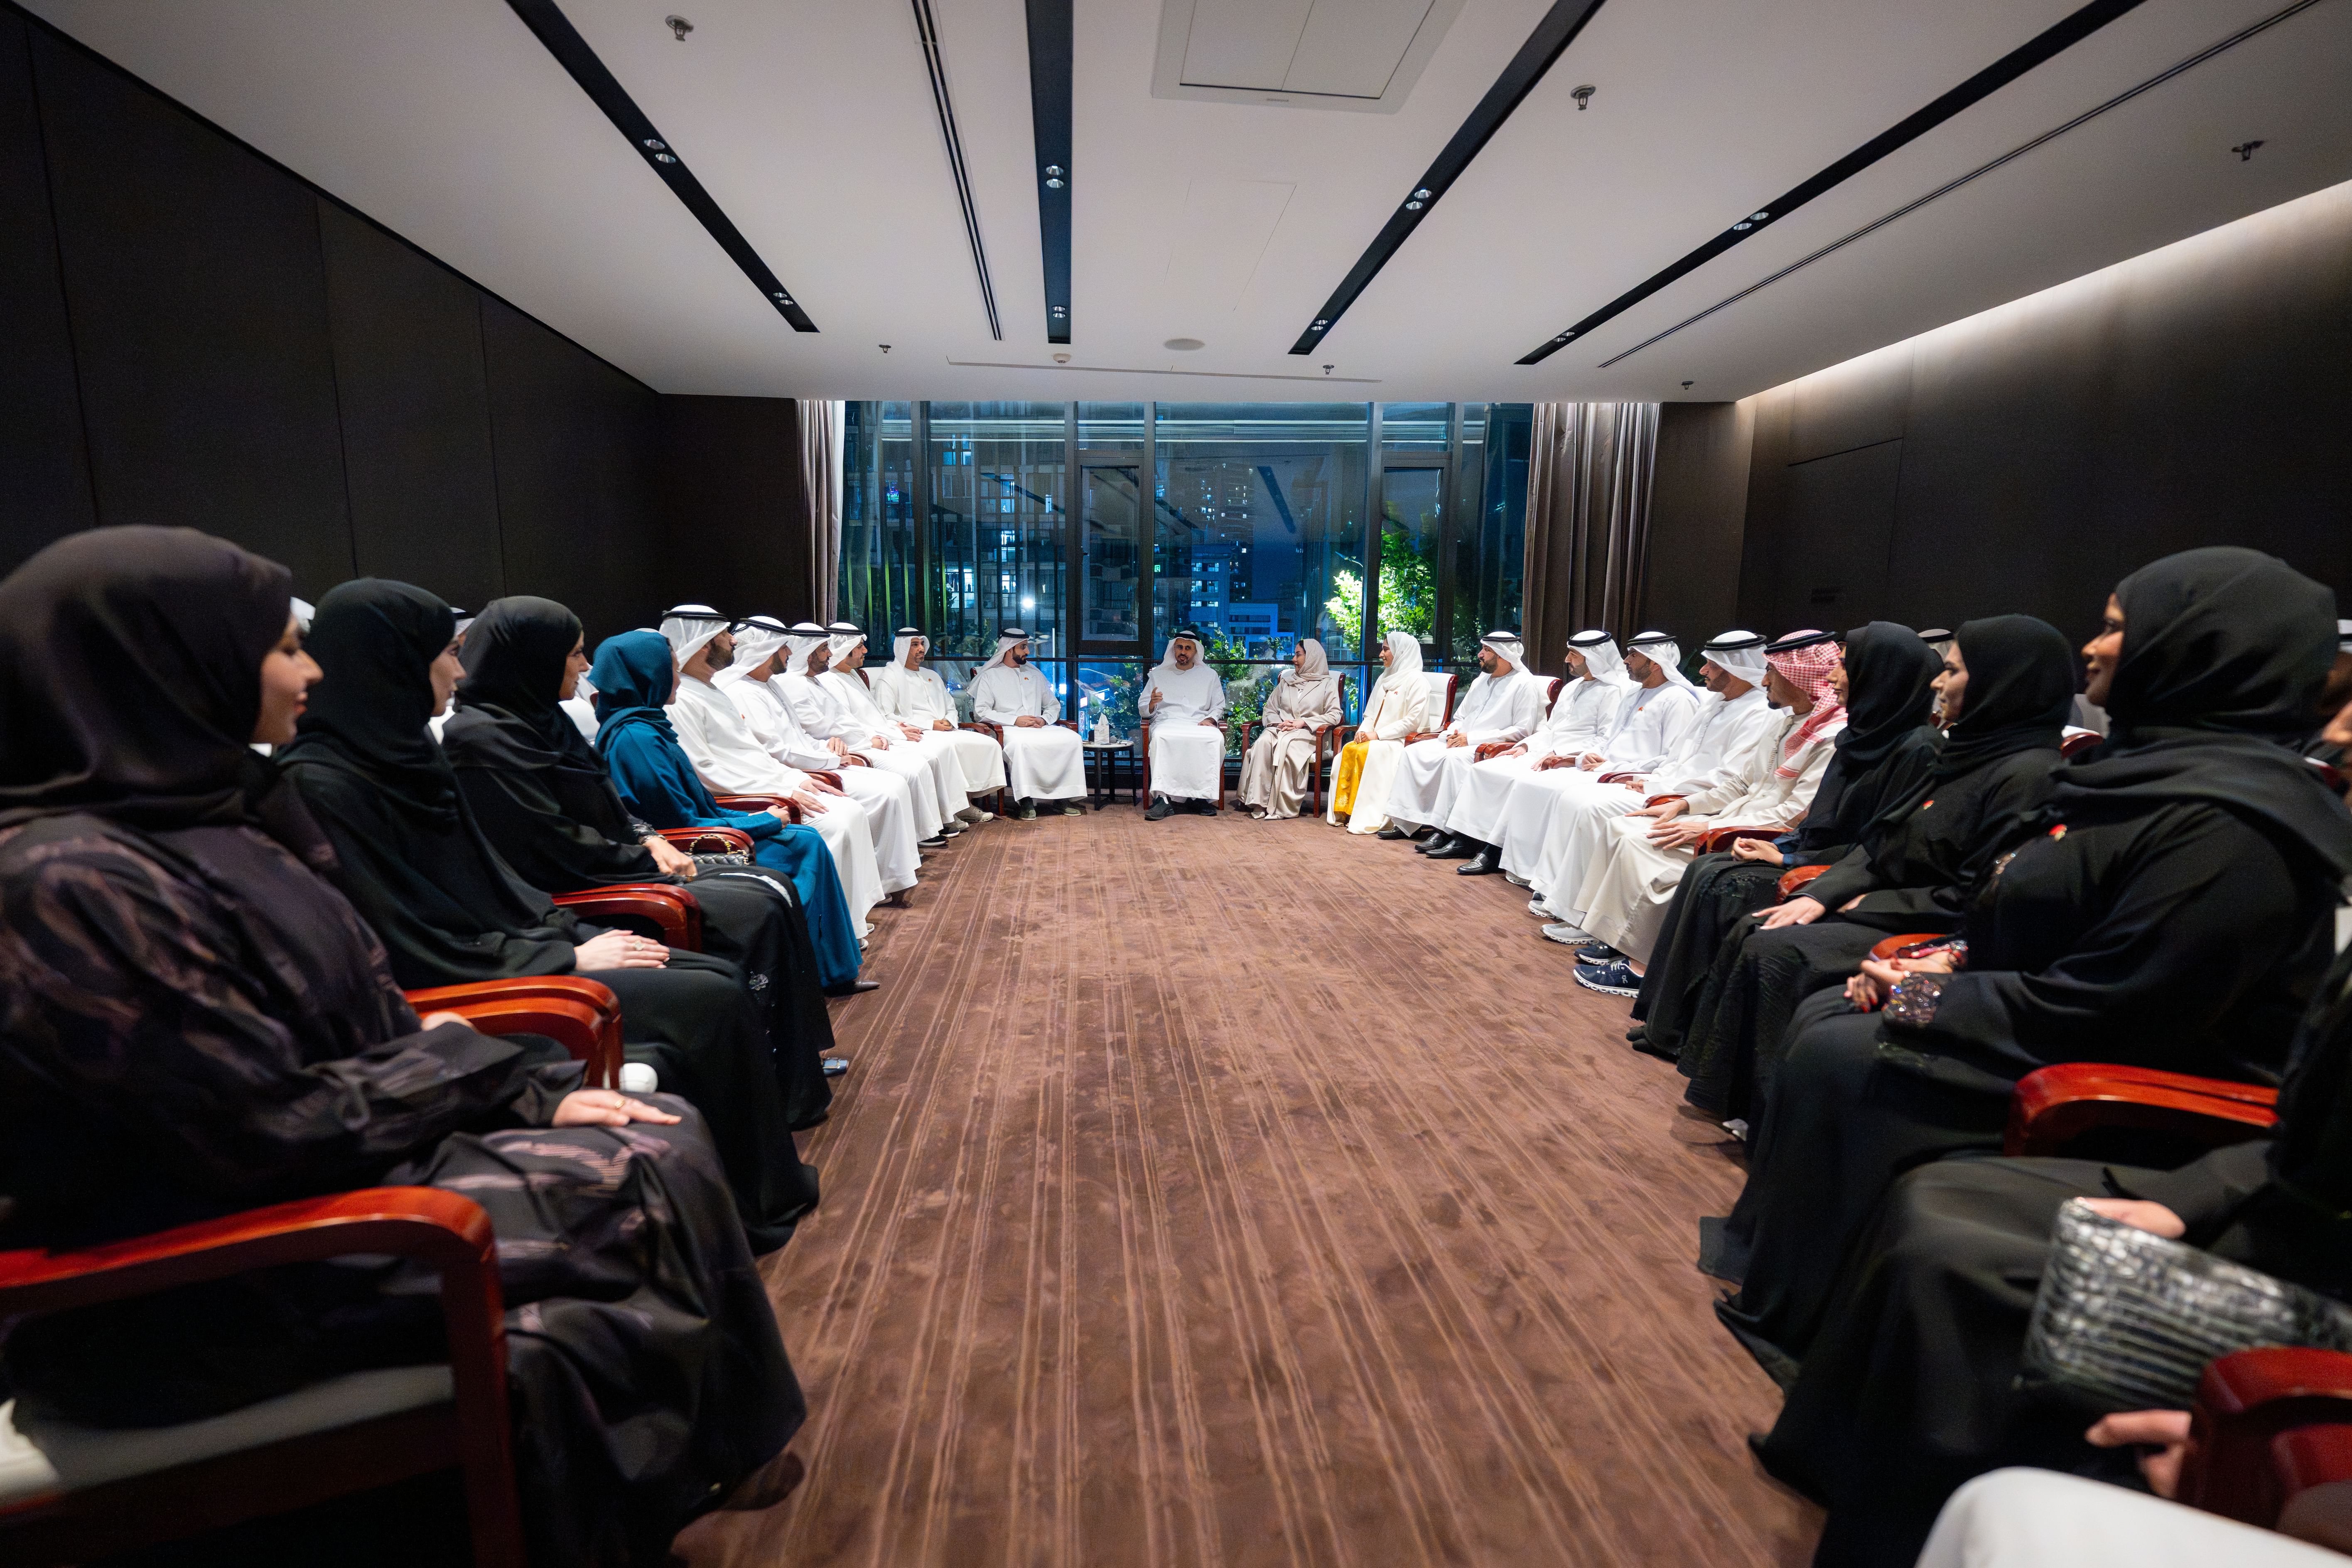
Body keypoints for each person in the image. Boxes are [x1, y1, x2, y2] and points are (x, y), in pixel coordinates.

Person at [0, 528, 806, 1565]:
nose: (310, 671)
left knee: (662, 1136)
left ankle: (712, 1449)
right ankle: (690, 1459)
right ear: (166, 666)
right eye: (280, 647)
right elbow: (251, 1127)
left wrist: (518, 1089)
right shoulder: (70, 882)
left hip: (314, 1189)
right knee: (648, 1166)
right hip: (198, 1289)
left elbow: (363, 1013)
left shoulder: (211, 815)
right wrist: (483, 1070)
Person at [1714, 547, 2352, 1379]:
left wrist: (1925, 999)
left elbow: (2117, 1007)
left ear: (2192, 652)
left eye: (2117, 628)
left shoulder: (2231, 826)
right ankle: (1794, 1287)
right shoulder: (2137, 773)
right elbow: (2026, 908)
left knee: (1843, 1047)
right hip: (2028, 1012)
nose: (2091, 646)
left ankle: (1820, 1325)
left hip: (2101, 1069)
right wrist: (1949, 959)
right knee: (1826, 1014)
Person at [1750, 792, 2352, 1564]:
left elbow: (2120, 1006)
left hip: (2291, 1239)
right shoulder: (2126, 790)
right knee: (1936, 1195)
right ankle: (1841, 1464)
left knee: (1964, 1254)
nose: (2338, 738)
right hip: (2263, 1182)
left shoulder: (2231, 836)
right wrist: (2198, 1194)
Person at [278, 582, 837, 1206]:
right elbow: (405, 937)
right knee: (711, 989)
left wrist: (573, 927)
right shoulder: (325, 783)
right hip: (477, 976)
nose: (460, 671)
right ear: (396, 661)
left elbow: (498, 881)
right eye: (449, 653)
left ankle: (761, 1157)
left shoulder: (407, 753)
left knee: (724, 960)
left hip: (526, 936)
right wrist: (564, 953)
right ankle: (755, 1193)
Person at [440, 596, 846, 1124]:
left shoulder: (544, 723)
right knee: (756, 906)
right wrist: (645, 855)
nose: (587, 667)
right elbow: (553, 846)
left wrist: (646, 836)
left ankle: (794, 1066)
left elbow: (611, 809)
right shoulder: (487, 741)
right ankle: (781, 1079)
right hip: (591, 889)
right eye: (575, 654)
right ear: (535, 659)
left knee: (770, 888)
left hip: (620, 867)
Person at [1662, 616, 2073, 1119]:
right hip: (1915, 929)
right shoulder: (1967, 755)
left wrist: (1879, 919)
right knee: (1763, 933)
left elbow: (1981, 902)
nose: (1938, 684)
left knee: (1788, 967)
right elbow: (1881, 843)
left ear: (2001, 683)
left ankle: (1768, 1115)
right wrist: (1823, 892)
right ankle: (1730, 1093)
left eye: (1952, 671)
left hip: (1937, 939)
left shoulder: (2028, 776)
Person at [1614, 619, 1942, 1052]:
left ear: (1878, 676)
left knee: (1721, 882)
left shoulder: (1915, 748)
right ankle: (1668, 1019)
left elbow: (1876, 842)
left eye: (1845, 666)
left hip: (1834, 868)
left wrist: (1787, 857)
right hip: (1805, 848)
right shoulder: (1856, 734)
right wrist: (1777, 845)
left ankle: (1688, 1030)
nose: (1832, 676)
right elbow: (1806, 815)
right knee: (1706, 871)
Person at [1559, 630, 1848, 991]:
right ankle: (1616, 938)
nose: (1764, 680)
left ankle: (1644, 968)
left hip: (1754, 835)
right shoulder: (1786, 720)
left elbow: (1792, 814)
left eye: (1772, 672)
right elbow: (1740, 784)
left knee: (1641, 847)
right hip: (1730, 817)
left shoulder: (1830, 737)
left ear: (1797, 677)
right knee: (1622, 828)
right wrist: (1684, 805)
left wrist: (1709, 828)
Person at [587, 629, 868, 993]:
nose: (677, 677)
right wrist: (764, 821)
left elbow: (702, 804)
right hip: (693, 848)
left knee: (807, 837)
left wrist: (759, 817)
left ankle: (827, 968)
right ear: (649, 676)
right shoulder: (637, 739)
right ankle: (818, 971)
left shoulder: (650, 727)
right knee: (804, 844)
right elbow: (682, 823)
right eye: (671, 668)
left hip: (707, 831)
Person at [1465, 630, 1778, 891]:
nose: (1703, 670)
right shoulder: (1706, 703)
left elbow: (1717, 774)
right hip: (1631, 775)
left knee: (1579, 802)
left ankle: (1562, 889)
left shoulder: (1693, 700)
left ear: (1654, 662)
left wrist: (1650, 782)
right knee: (1539, 785)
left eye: (1711, 664)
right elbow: (1660, 753)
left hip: (1670, 790)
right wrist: (1579, 759)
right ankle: (1533, 872)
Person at [660, 609, 902, 919]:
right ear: (703, 643)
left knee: (849, 811)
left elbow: (759, 754)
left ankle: (851, 914)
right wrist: (786, 788)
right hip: (747, 800)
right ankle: (828, 920)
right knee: (837, 819)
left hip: (775, 783)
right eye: (724, 635)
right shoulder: (684, 698)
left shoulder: (714, 690)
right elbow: (708, 773)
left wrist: (795, 779)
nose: (734, 640)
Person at [720, 614, 927, 902]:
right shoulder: (744, 691)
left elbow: (803, 736)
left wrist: (831, 750)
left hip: (815, 763)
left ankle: (882, 883)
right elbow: (778, 751)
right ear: (765, 650)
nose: (790, 652)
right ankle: (862, 894)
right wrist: (829, 761)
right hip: (796, 774)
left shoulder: (771, 685)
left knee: (890, 787)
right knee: (867, 803)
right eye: (784, 646)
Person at [771, 620, 954, 845]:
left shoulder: (831, 678)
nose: (865, 651)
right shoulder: (803, 683)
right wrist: (871, 741)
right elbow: (823, 730)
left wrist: (887, 733)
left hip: (858, 743)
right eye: (859, 647)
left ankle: (931, 825)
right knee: (910, 771)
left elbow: (849, 720)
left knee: (924, 761)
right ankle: (919, 834)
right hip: (848, 750)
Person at [1382, 631, 1549, 846]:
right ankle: (1407, 821)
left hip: (1488, 746)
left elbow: (1521, 730)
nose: (1480, 654)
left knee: (1453, 761)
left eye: (1487, 650)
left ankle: (1445, 830)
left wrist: (1470, 739)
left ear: (1503, 655)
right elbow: (1461, 717)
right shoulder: (1481, 680)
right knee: (1413, 752)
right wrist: (1455, 734)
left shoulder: (1524, 684)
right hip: (1461, 740)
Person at [820, 621, 977, 832]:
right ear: (844, 649)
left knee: (932, 758)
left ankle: (946, 816)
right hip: (867, 744)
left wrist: (897, 728)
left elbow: (875, 715)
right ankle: (928, 828)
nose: (865, 651)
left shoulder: (851, 674)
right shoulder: (831, 681)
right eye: (860, 647)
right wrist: (895, 731)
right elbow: (851, 725)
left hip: (885, 735)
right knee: (921, 764)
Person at [868, 626, 1005, 809]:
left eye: (922, 644)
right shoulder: (889, 678)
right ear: (902, 648)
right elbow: (886, 716)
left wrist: (949, 720)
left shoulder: (931, 675)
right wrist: (930, 725)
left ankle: (968, 801)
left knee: (988, 744)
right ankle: (952, 809)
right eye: (915, 645)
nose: (921, 649)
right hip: (919, 733)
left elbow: (950, 705)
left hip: (946, 729)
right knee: (946, 749)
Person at [967, 627, 1086, 818]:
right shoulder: (990, 676)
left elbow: (1053, 705)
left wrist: (1043, 719)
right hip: (1007, 729)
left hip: (1039, 728)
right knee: (1022, 745)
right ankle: (1026, 800)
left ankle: (1063, 798)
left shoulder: (1035, 675)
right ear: (1009, 649)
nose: (1028, 652)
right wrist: (1015, 720)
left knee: (1072, 739)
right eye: (1023, 647)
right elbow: (981, 712)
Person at [1325, 630, 1431, 834]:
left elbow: (1413, 722)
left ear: (1401, 652)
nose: (1381, 655)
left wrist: (1378, 735)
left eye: (1386, 650)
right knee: (1349, 750)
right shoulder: (1384, 678)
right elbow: (1370, 714)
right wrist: (1364, 732)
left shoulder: (1418, 681)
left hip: (1400, 741)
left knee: (1368, 753)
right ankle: (1345, 812)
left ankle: (1364, 814)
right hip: (1376, 738)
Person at [1238, 638, 1343, 820]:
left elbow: (1335, 715)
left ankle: (1282, 807)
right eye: (1295, 655)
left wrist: (1304, 722)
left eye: (1298, 655)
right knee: (1263, 743)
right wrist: (1277, 724)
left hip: (1310, 735)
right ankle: (1259, 802)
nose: (1294, 659)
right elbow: (1270, 709)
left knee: (1288, 749)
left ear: (1311, 657)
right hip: (1280, 729)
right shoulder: (1287, 682)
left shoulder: (1327, 684)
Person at [1140, 628, 1228, 820]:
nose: (1183, 652)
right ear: (1173, 649)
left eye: (1188, 648)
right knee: (1161, 738)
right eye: (1179, 647)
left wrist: (1210, 719)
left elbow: (1219, 705)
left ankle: (1199, 797)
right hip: (1167, 722)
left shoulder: (1210, 675)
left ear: (1196, 651)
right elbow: (1143, 709)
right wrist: (1152, 703)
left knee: (1215, 739)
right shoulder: (1159, 675)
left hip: (1198, 723)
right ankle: (1162, 799)